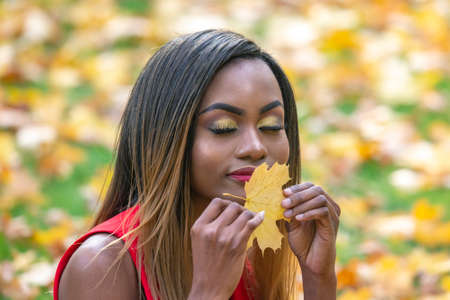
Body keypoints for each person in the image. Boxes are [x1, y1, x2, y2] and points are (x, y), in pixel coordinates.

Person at [53, 29, 340, 300]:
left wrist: (319, 279)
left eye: (271, 125)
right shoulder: (101, 265)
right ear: (165, 138)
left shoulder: (243, 249)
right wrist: (208, 292)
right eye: (224, 127)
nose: (255, 147)